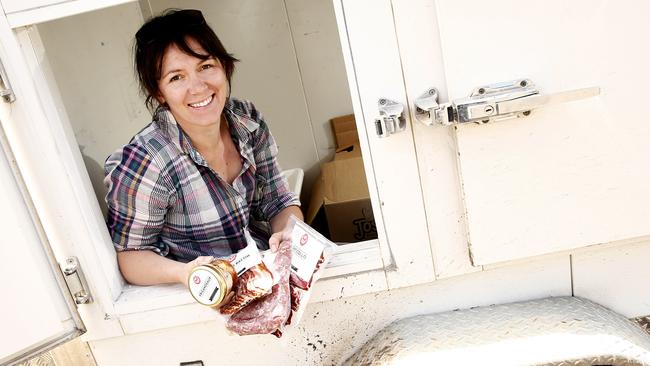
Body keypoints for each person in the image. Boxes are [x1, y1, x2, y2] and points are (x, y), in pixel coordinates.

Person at [104, 9, 302, 287]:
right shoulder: (146, 161)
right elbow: (131, 256)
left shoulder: (248, 121)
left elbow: (279, 201)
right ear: (159, 93)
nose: (197, 87)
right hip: (205, 296)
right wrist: (184, 273)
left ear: (224, 66)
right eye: (176, 77)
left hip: (264, 275)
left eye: (205, 66)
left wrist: (289, 234)